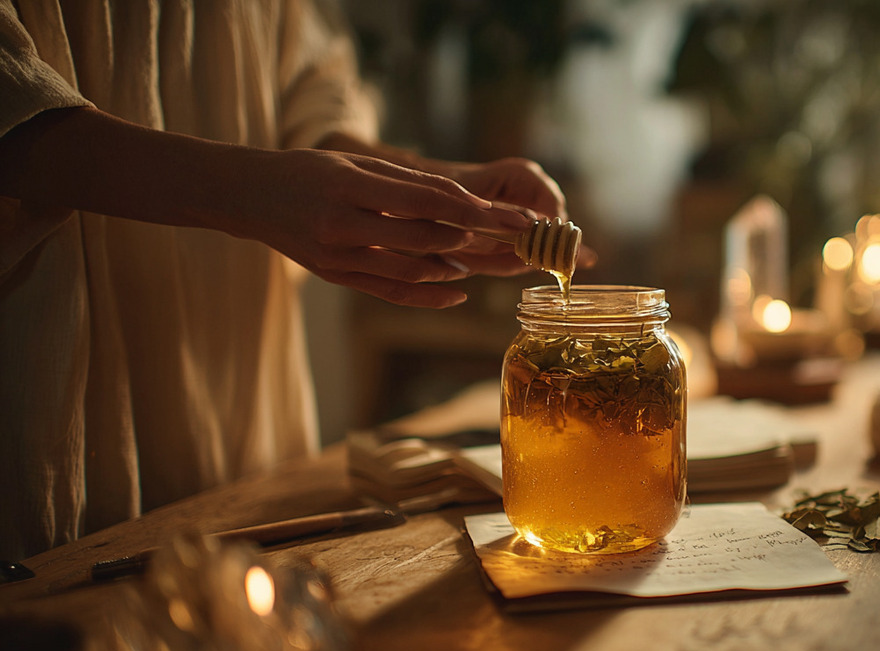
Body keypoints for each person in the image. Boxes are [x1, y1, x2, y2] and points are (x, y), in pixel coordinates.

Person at [0, 1, 575, 558]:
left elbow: (308, 83)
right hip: (52, 335)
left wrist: (443, 187)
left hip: (234, 359)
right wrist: (247, 192)